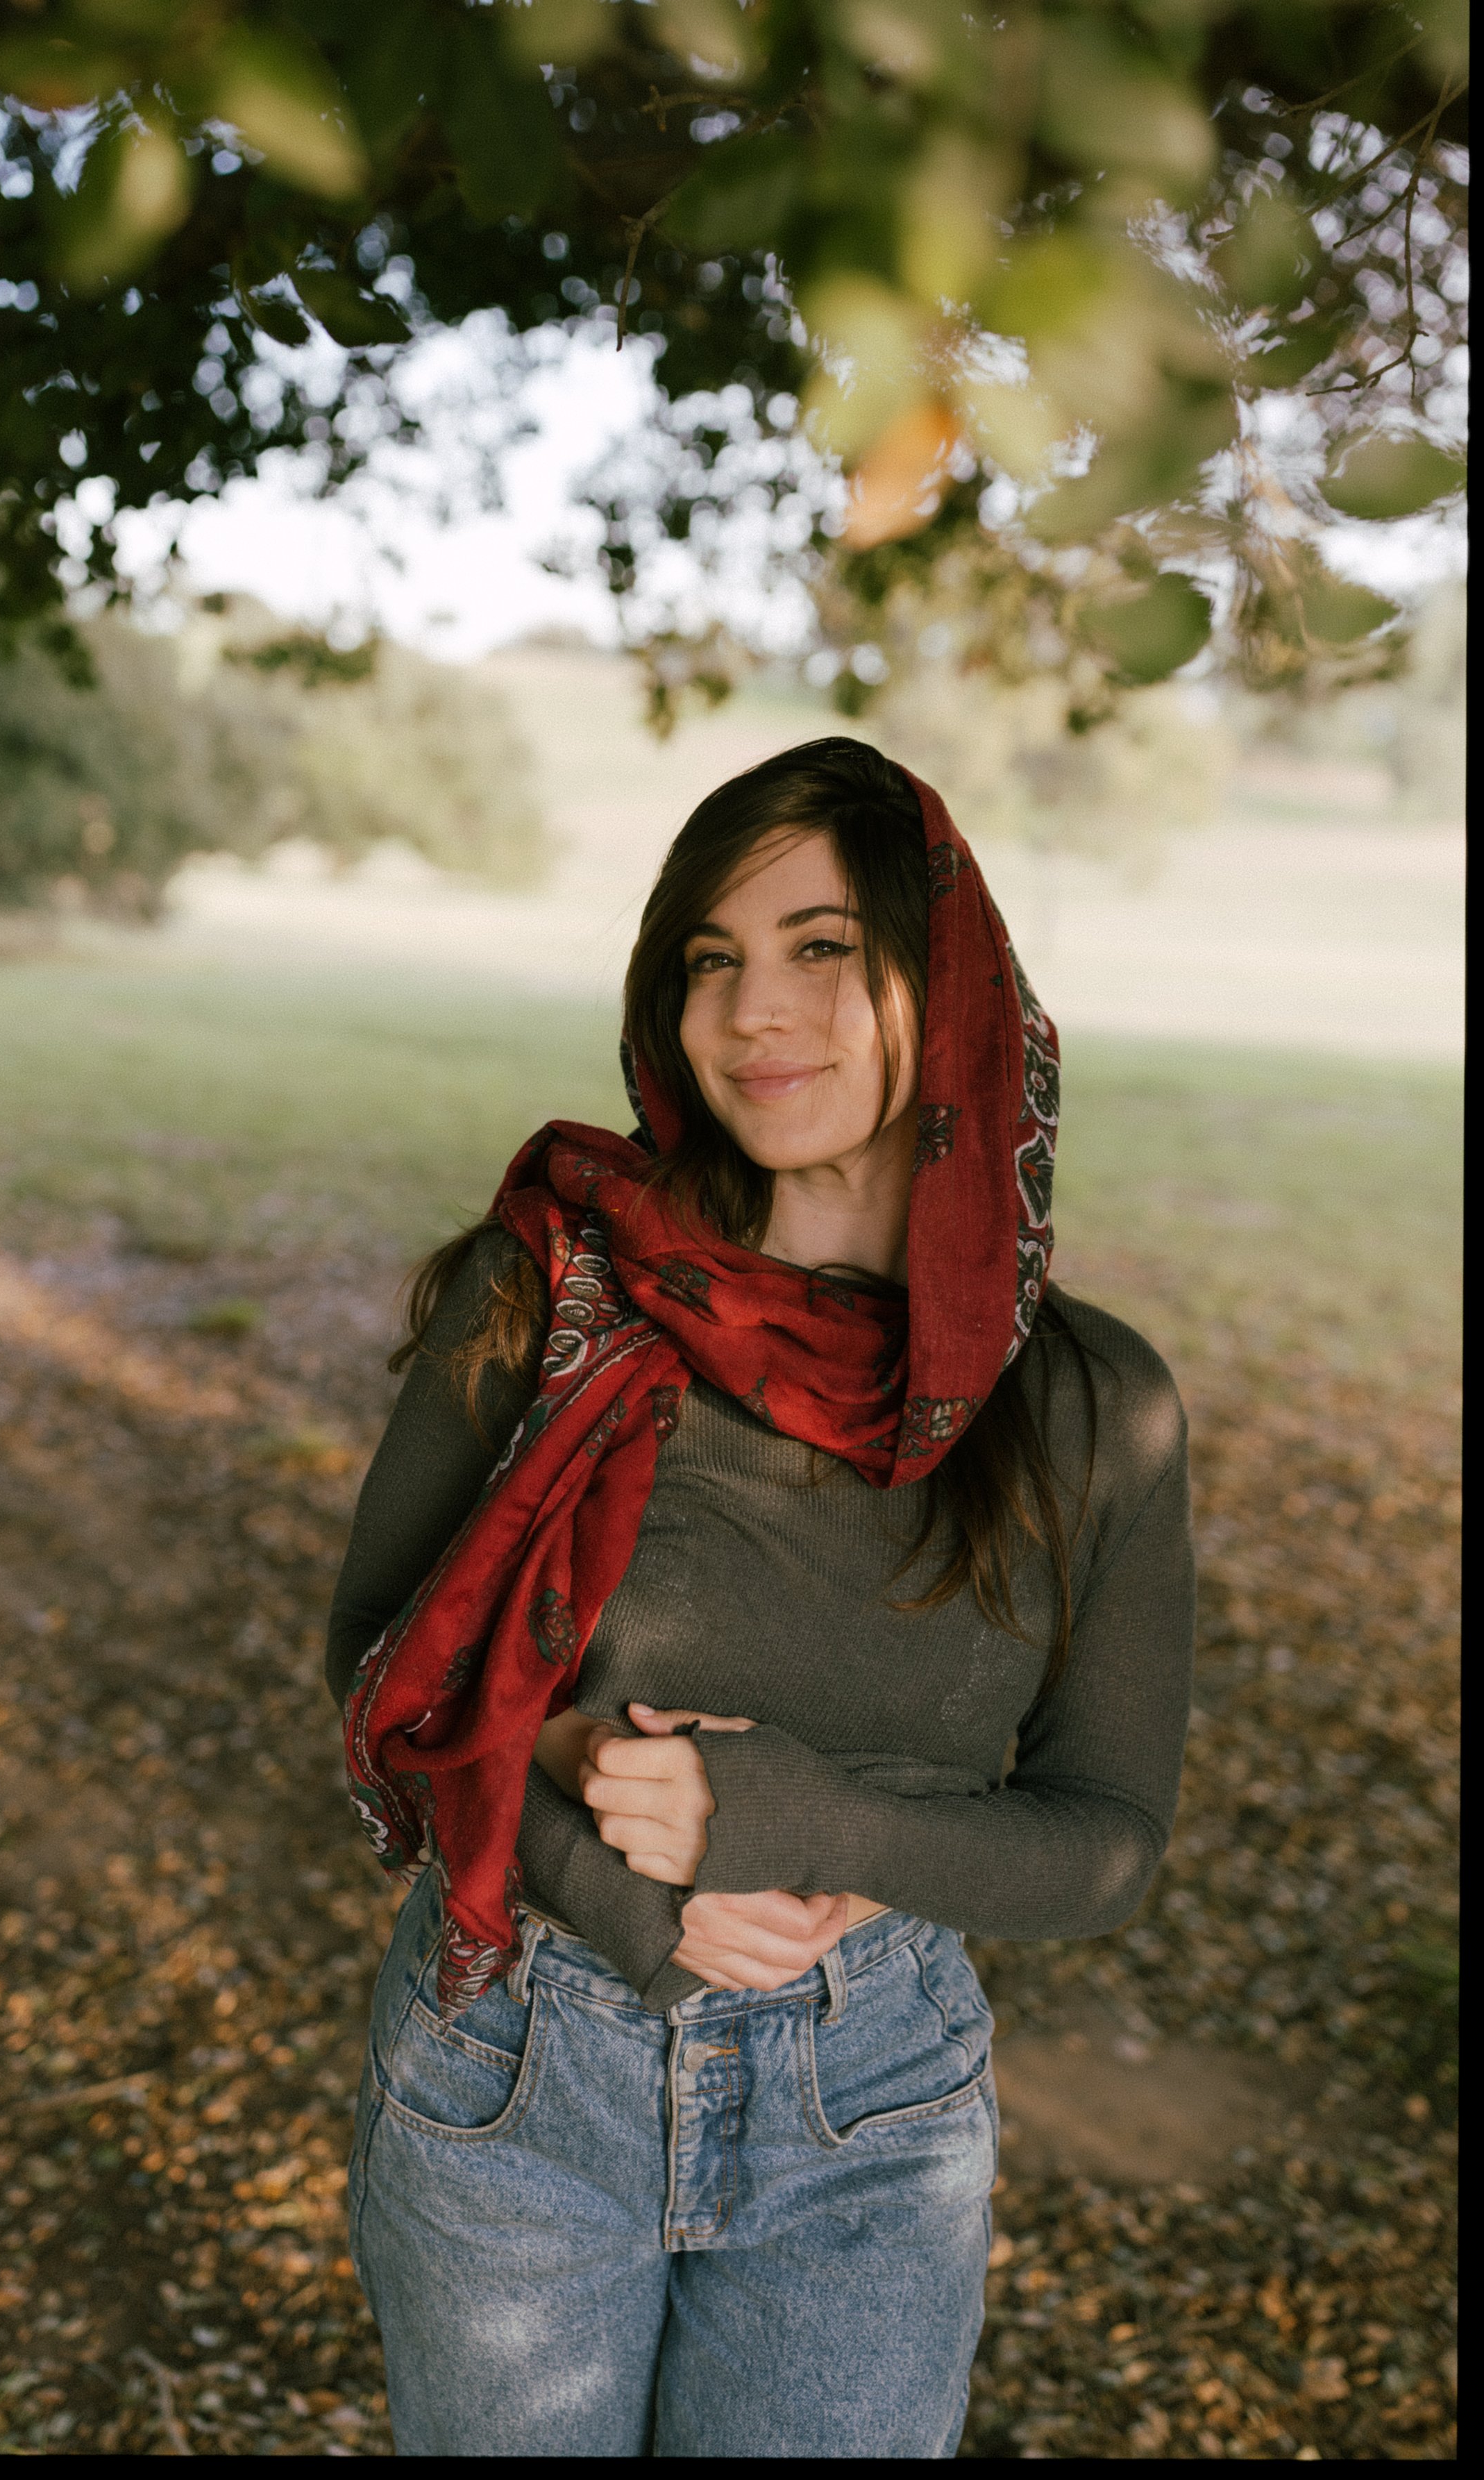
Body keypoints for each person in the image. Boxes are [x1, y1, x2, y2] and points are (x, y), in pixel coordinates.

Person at [328, 739, 1195, 2458]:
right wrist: (600, 1835)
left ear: (944, 984)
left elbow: (1105, 1840)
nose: (751, 1011)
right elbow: (378, 1660)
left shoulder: (1093, 1405)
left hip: (869, 2106)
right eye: (708, 957)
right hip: (519, 2062)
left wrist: (815, 1823)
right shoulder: (554, 1292)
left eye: (820, 946)